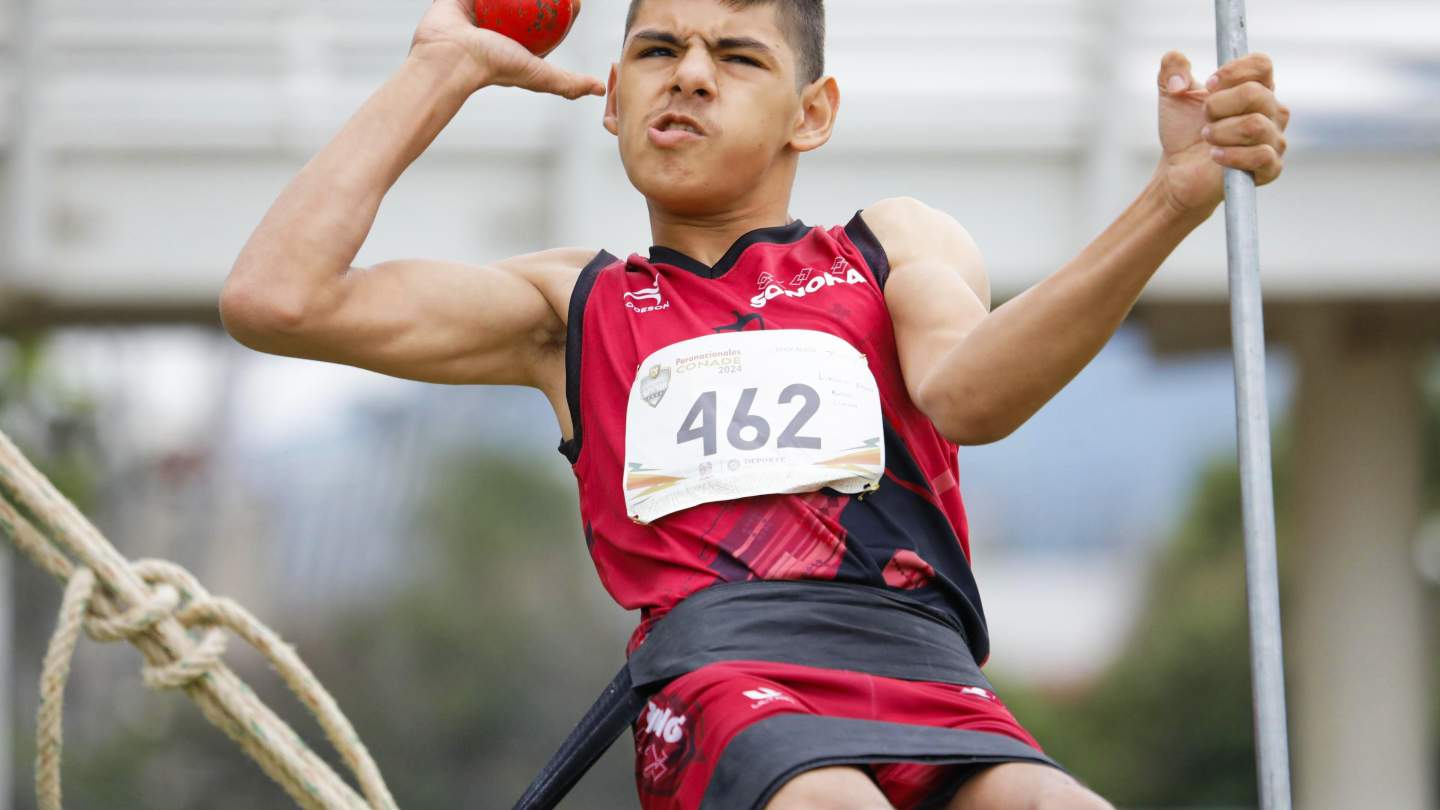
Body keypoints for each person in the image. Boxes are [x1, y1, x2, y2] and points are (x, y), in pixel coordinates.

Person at [219, 0, 1290, 807]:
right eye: (655, 51)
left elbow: (971, 394)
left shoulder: (891, 245)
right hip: (728, 689)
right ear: (614, 98)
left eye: (736, 56)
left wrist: (1169, 200)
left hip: (928, 674)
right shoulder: (574, 306)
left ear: (811, 113)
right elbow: (276, 298)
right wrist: (441, 67)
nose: (687, 76)